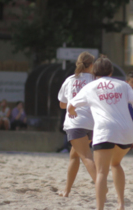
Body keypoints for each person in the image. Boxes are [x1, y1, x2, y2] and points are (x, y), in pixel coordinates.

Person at [68, 57, 133, 210]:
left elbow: (71, 105)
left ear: (94, 71)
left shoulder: (90, 87)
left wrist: (72, 112)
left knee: (101, 173)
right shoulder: (123, 86)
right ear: (111, 71)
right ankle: (121, 204)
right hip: (126, 131)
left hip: (105, 130)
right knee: (116, 164)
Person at [57, 52, 97, 197]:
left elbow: (62, 104)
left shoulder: (70, 80)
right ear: (92, 65)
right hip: (93, 123)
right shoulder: (95, 80)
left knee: (86, 156)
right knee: (74, 155)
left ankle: (101, 186)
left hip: (75, 122)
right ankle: (67, 190)